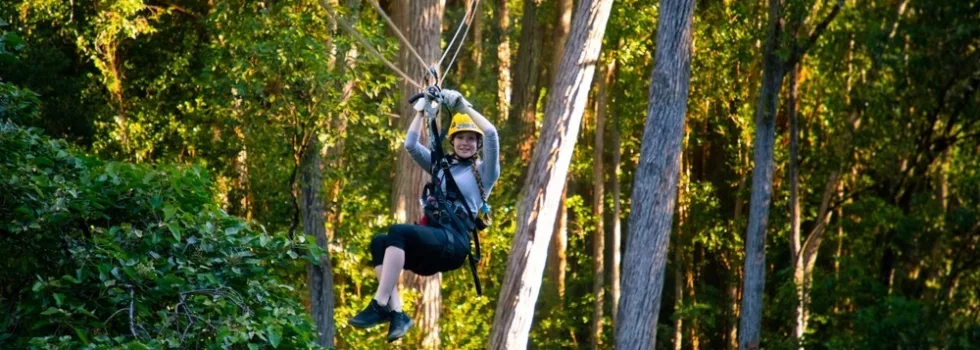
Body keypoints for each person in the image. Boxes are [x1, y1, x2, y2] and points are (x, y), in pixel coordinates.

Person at [348, 90, 500, 342]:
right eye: (460, 137)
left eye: (471, 139)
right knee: (379, 241)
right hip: (433, 247)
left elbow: (493, 133)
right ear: (452, 141)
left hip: (455, 244)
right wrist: (420, 113)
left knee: (398, 231)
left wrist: (464, 107)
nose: (465, 142)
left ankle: (378, 304)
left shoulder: (485, 172)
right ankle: (397, 314)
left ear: (478, 145)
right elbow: (410, 145)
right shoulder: (441, 167)